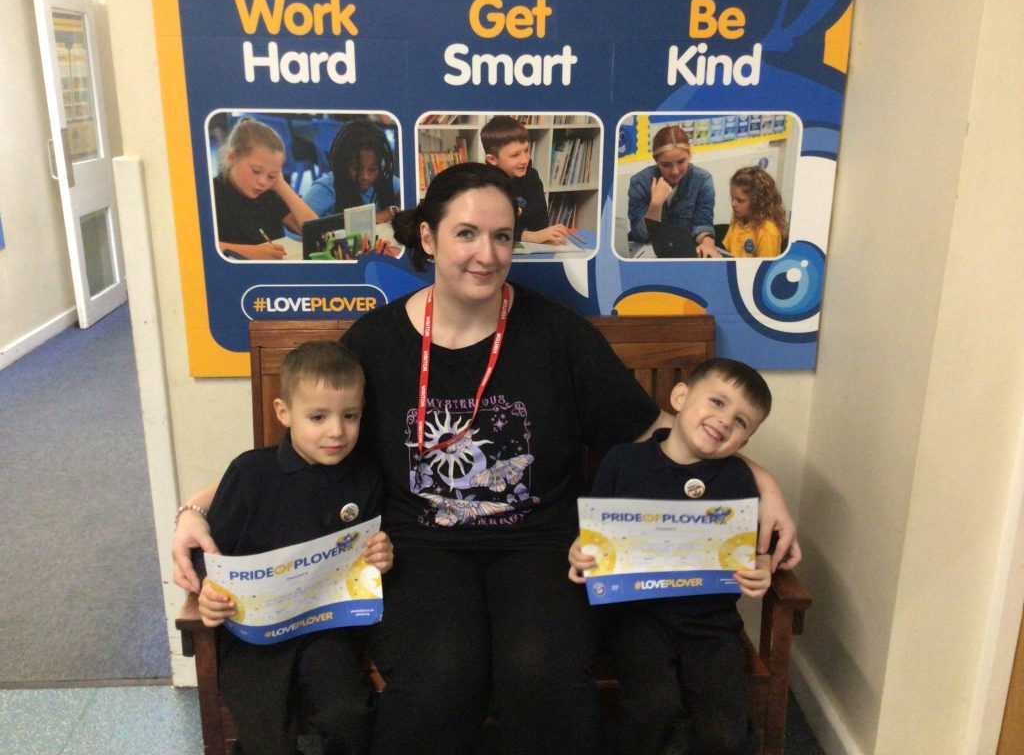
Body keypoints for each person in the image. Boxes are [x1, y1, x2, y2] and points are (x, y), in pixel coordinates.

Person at [172, 163, 800, 754]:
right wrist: (197, 509)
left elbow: (661, 432)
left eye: (502, 236)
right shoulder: (377, 342)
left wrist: (763, 483)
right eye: (467, 233)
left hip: (542, 542)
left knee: (541, 674)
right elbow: (303, 450)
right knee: (440, 677)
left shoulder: (556, 333)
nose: (488, 254)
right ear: (428, 238)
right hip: (416, 544)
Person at [190, 341, 394, 755]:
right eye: (318, 417)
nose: (336, 431)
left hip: (325, 630)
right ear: (283, 413)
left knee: (350, 715)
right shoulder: (250, 473)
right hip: (253, 633)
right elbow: (208, 551)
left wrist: (382, 556)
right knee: (266, 736)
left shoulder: (366, 478)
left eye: (350, 416)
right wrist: (208, 587)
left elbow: (369, 558)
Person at [568, 358, 775, 755]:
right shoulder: (622, 461)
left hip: (711, 622)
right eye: (717, 402)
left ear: (744, 442)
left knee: (725, 731)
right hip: (637, 616)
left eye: (741, 421)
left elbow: (754, 552)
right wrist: (581, 552)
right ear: (680, 397)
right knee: (652, 709)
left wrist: (761, 570)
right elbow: (592, 536)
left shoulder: (738, 478)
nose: (725, 420)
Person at [213, 118, 317, 260]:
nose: (263, 182)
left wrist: (280, 184)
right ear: (232, 158)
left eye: (271, 175)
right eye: (256, 171)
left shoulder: (270, 191)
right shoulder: (212, 194)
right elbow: (197, 245)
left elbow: (315, 232)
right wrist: (253, 252)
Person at [626, 124, 716, 257]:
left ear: (689, 156)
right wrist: (655, 204)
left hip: (683, 250)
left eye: (681, 162)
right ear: (656, 161)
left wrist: (708, 243)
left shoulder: (702, 180)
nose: (675, 171)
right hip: (647, 251)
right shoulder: (640, 182)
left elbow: (702, 224)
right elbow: (641, 236)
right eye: (666, 165)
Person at [481, 115, 571, 245]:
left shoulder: (531, 176)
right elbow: (488, 230)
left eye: (526, 151)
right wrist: (528, 236)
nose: (525, 160)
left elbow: (541, 222)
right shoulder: (484, 184)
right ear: (492, 159)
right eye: (515, 155)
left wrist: (518, 211)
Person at [303, 118, 400, 224]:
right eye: (357, 168)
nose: (365, 176)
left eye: (372, 170)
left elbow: (410, 200)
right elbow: (296, 225)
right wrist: (381, 216)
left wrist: (393, 211)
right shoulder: (327, 188)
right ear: (344, 163)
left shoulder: (385, 180)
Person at [714, 166, 788, 258]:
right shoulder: (738, 218)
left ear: (757, 202)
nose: (733, 204)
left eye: (740, 200)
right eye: (732, 198)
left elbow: (764, 266)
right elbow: (729, 252)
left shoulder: (767, 232)